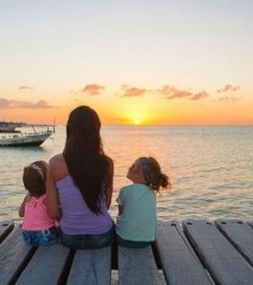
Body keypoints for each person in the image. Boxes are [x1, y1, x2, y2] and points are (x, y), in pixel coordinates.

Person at [46, 106, 114, 249]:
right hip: (102, 236)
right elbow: (106, 205)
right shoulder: (106, 164)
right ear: (96, 132)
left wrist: (71, 221)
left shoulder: (55, 163)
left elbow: (53, 212)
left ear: (70, 130)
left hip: (69, 237)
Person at [116, 156, 171, 248]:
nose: (129, 167)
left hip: (123, 239)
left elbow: (120, 213)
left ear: (140, 174)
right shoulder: (152, 193)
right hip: (148, 240)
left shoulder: (125, 191)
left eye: (133, 166)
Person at [19, 161, 58, 246]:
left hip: (27, 235)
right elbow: (55, 215)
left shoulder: (29, 196)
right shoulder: (47, 197)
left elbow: (21, 213)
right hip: (45, 234)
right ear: (46, 181)